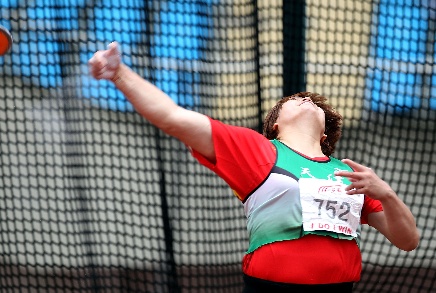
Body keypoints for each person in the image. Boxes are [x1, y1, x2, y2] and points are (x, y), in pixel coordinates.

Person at [88, 42, 419, 292]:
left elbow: (408, 241)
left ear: (325, 130)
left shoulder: (350, 174)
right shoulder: (255, 149)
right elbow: (173, 117)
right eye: (294, 99)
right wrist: (119, 73)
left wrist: (386, 194)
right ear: (274, 125)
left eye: (315, 103)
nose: (307, 100)